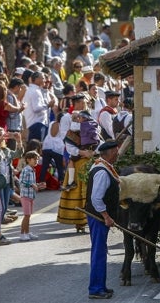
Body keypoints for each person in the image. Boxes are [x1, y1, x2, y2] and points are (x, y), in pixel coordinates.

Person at [85, 140, 121, 299]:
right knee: (99, 252)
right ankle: (95, 289)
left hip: (98, 216)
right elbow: (96, 198)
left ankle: (101, 286)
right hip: (98, 217)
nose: (118, 154)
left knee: (100, 251)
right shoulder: (102, 172)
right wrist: (106, 216)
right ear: (111, 153)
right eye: (117, 152)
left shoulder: (101, 165)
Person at [57, 94, 96, 232]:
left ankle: (90, 220)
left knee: (92, 190)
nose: (86, 104)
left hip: (91, 155)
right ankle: (80, 222)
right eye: (84, 102)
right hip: (78, 156)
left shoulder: (89, 115)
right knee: (78, 190)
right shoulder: (67, 118)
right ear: (78, 103)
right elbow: (65, 138)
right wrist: (81, 152)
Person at [19, 150, 40, 242]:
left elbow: (32, 183)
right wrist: (32, 185)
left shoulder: (32, 170)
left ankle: (27, 232)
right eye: (34, 159)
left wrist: (38, 185)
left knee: (29, 215)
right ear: (28, 160)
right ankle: (22, 234)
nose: (36, 161)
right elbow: (22, 181)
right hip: (25, 195)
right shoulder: (26, 170)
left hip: (31, 195)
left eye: (37, 159)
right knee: (26, 215)